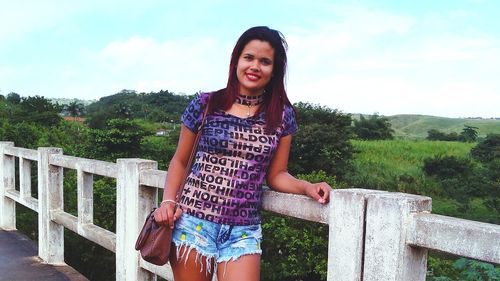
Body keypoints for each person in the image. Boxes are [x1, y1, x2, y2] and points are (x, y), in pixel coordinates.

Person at [154, 26, 331, 281]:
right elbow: (180, 160)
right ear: (236, 61)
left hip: (243, 230)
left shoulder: (282, 116)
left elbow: (277, 174)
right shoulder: (206, 104)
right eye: (248, 58)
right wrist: (168, 202)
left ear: (274, 70)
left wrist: (307, 187)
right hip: (193, 222)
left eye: (265, 61)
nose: (255, 66)